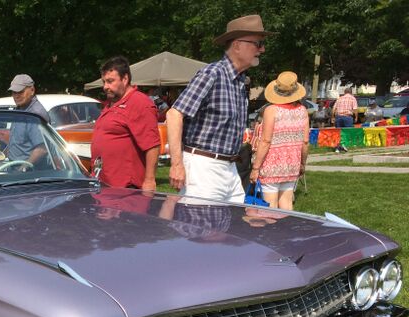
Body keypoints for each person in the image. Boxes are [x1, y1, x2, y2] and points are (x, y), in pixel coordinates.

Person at [167, 14, 274, 203]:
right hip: (203, 168)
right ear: (237, 45)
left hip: (230, 168)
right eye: (257, 44)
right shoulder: (212, 74)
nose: (262, 49)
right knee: (202, 229)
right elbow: (174, 114)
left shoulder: (240, 81)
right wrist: (176, 164)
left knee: (231, 228)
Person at [90, 56, 160, 191]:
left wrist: (149, 180)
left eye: (110, 81)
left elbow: (152, 145)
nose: (105, 87)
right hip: (105, 184)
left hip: (127, 189)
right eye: (104, 82)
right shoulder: (112, 103)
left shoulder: (139, 103)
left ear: (125, 79)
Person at [249, 71, 309, 210]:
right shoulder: (302, 110)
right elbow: (305, 141)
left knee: (270, 209)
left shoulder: (271, 110)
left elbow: (265, 141)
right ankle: (287, 231)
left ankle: (272, 231)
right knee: (287, 205)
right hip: (292, 164)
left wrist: (256, 168)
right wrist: (302, 163)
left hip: (271, 165)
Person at [4, 74, 49, 165]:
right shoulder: (21, 109)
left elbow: (42, 149)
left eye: (20, 92)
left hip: (30, 173)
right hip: (14, 167)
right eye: (14, 92)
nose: (16, 96)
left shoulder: (35, 114)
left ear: (32, 90)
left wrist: (23, 168)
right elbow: (16, 143)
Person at [332, 87, 356, 152]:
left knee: (338, 132)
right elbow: (355, 109)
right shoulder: (352, 98)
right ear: (351, 92)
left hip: (338, 117)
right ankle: (344, 145)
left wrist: (332, 117)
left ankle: (337, 147)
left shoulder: (339, 98)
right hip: (347, 117)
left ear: (344, 92)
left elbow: (334, 109)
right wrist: (356, 117)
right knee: (347, 132)